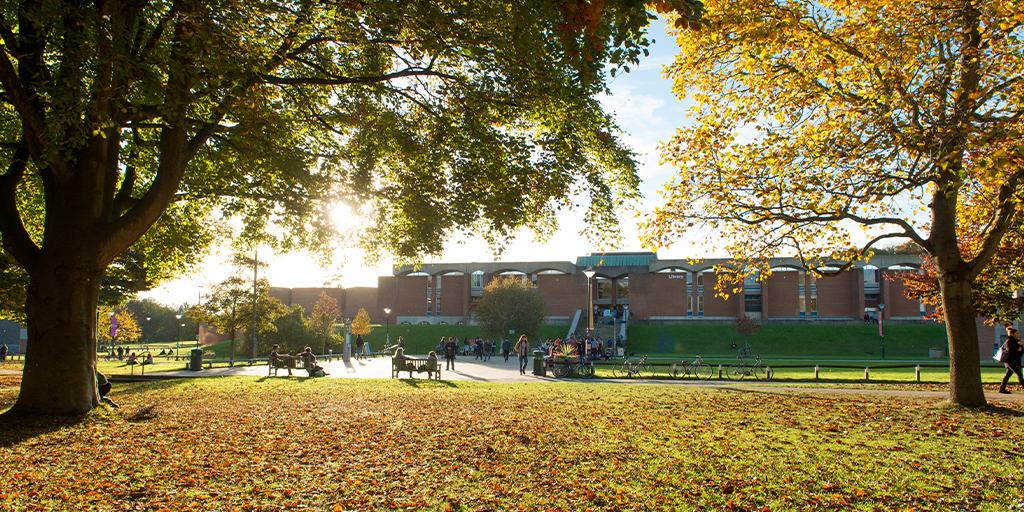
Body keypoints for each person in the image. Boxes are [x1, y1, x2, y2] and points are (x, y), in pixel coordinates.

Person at [999, 326, 1024, 394]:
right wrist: (1018, 345)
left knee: (1008, 375)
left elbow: (1021, 352)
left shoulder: (1018, 341)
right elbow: (1010, 350)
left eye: (1018, 333)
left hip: (1016, 360)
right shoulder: (1009, 341)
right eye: (1017, 333)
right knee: (1019, 373)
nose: (1019, 334)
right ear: (1012, 334)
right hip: (1009, 361)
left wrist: (1020, 350)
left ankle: (1002, 388)